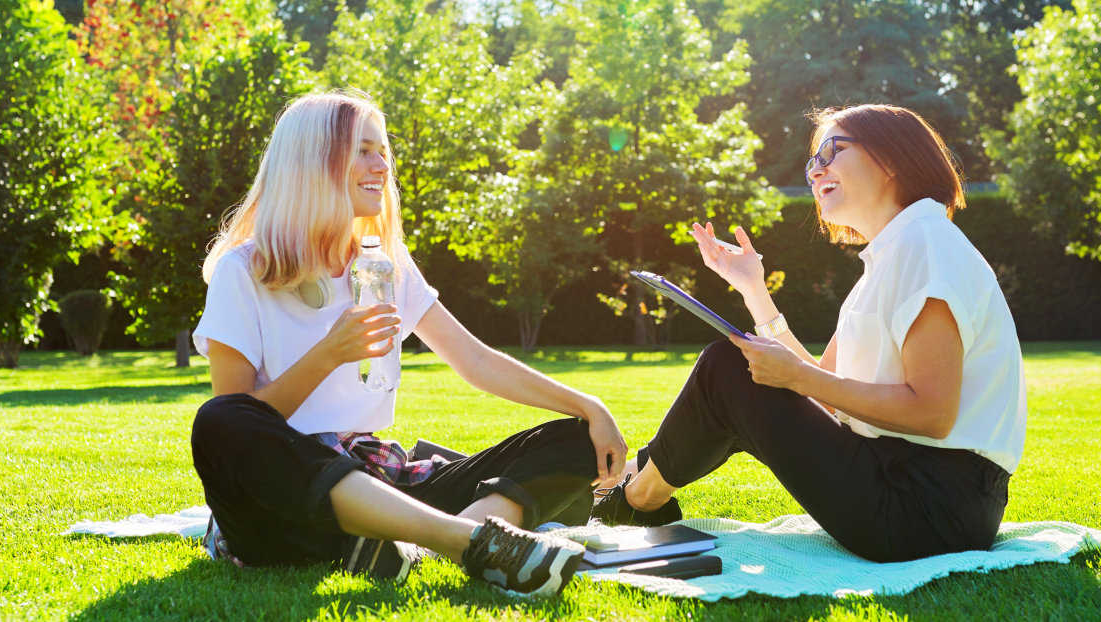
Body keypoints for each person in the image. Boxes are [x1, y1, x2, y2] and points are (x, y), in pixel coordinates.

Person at [189, 89, 627, 597]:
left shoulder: (383, 263)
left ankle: (419, 542)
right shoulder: (242, 271)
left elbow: (474, 360)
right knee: (218, 421)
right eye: (362, 150)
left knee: (572, 440)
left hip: (382, 481)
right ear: (311, 160)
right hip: (287, 488)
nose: (381, 165)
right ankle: (465, 540)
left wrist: (589, 407)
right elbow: (243, 421)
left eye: (382, 152)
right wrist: (330, 353)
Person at [592, 104, 1026, 563]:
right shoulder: (896, 254)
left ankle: (635, 499)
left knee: (726, 368)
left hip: (926, 508)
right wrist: (753, 289)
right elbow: (825, 389)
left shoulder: (926, 245)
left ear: (892, 158)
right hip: (912, 490)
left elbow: (932, 412)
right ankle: (637, 487)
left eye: (831, 152)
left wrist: (796, 378)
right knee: (742, 377)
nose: (816, 171)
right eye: (811, 163)